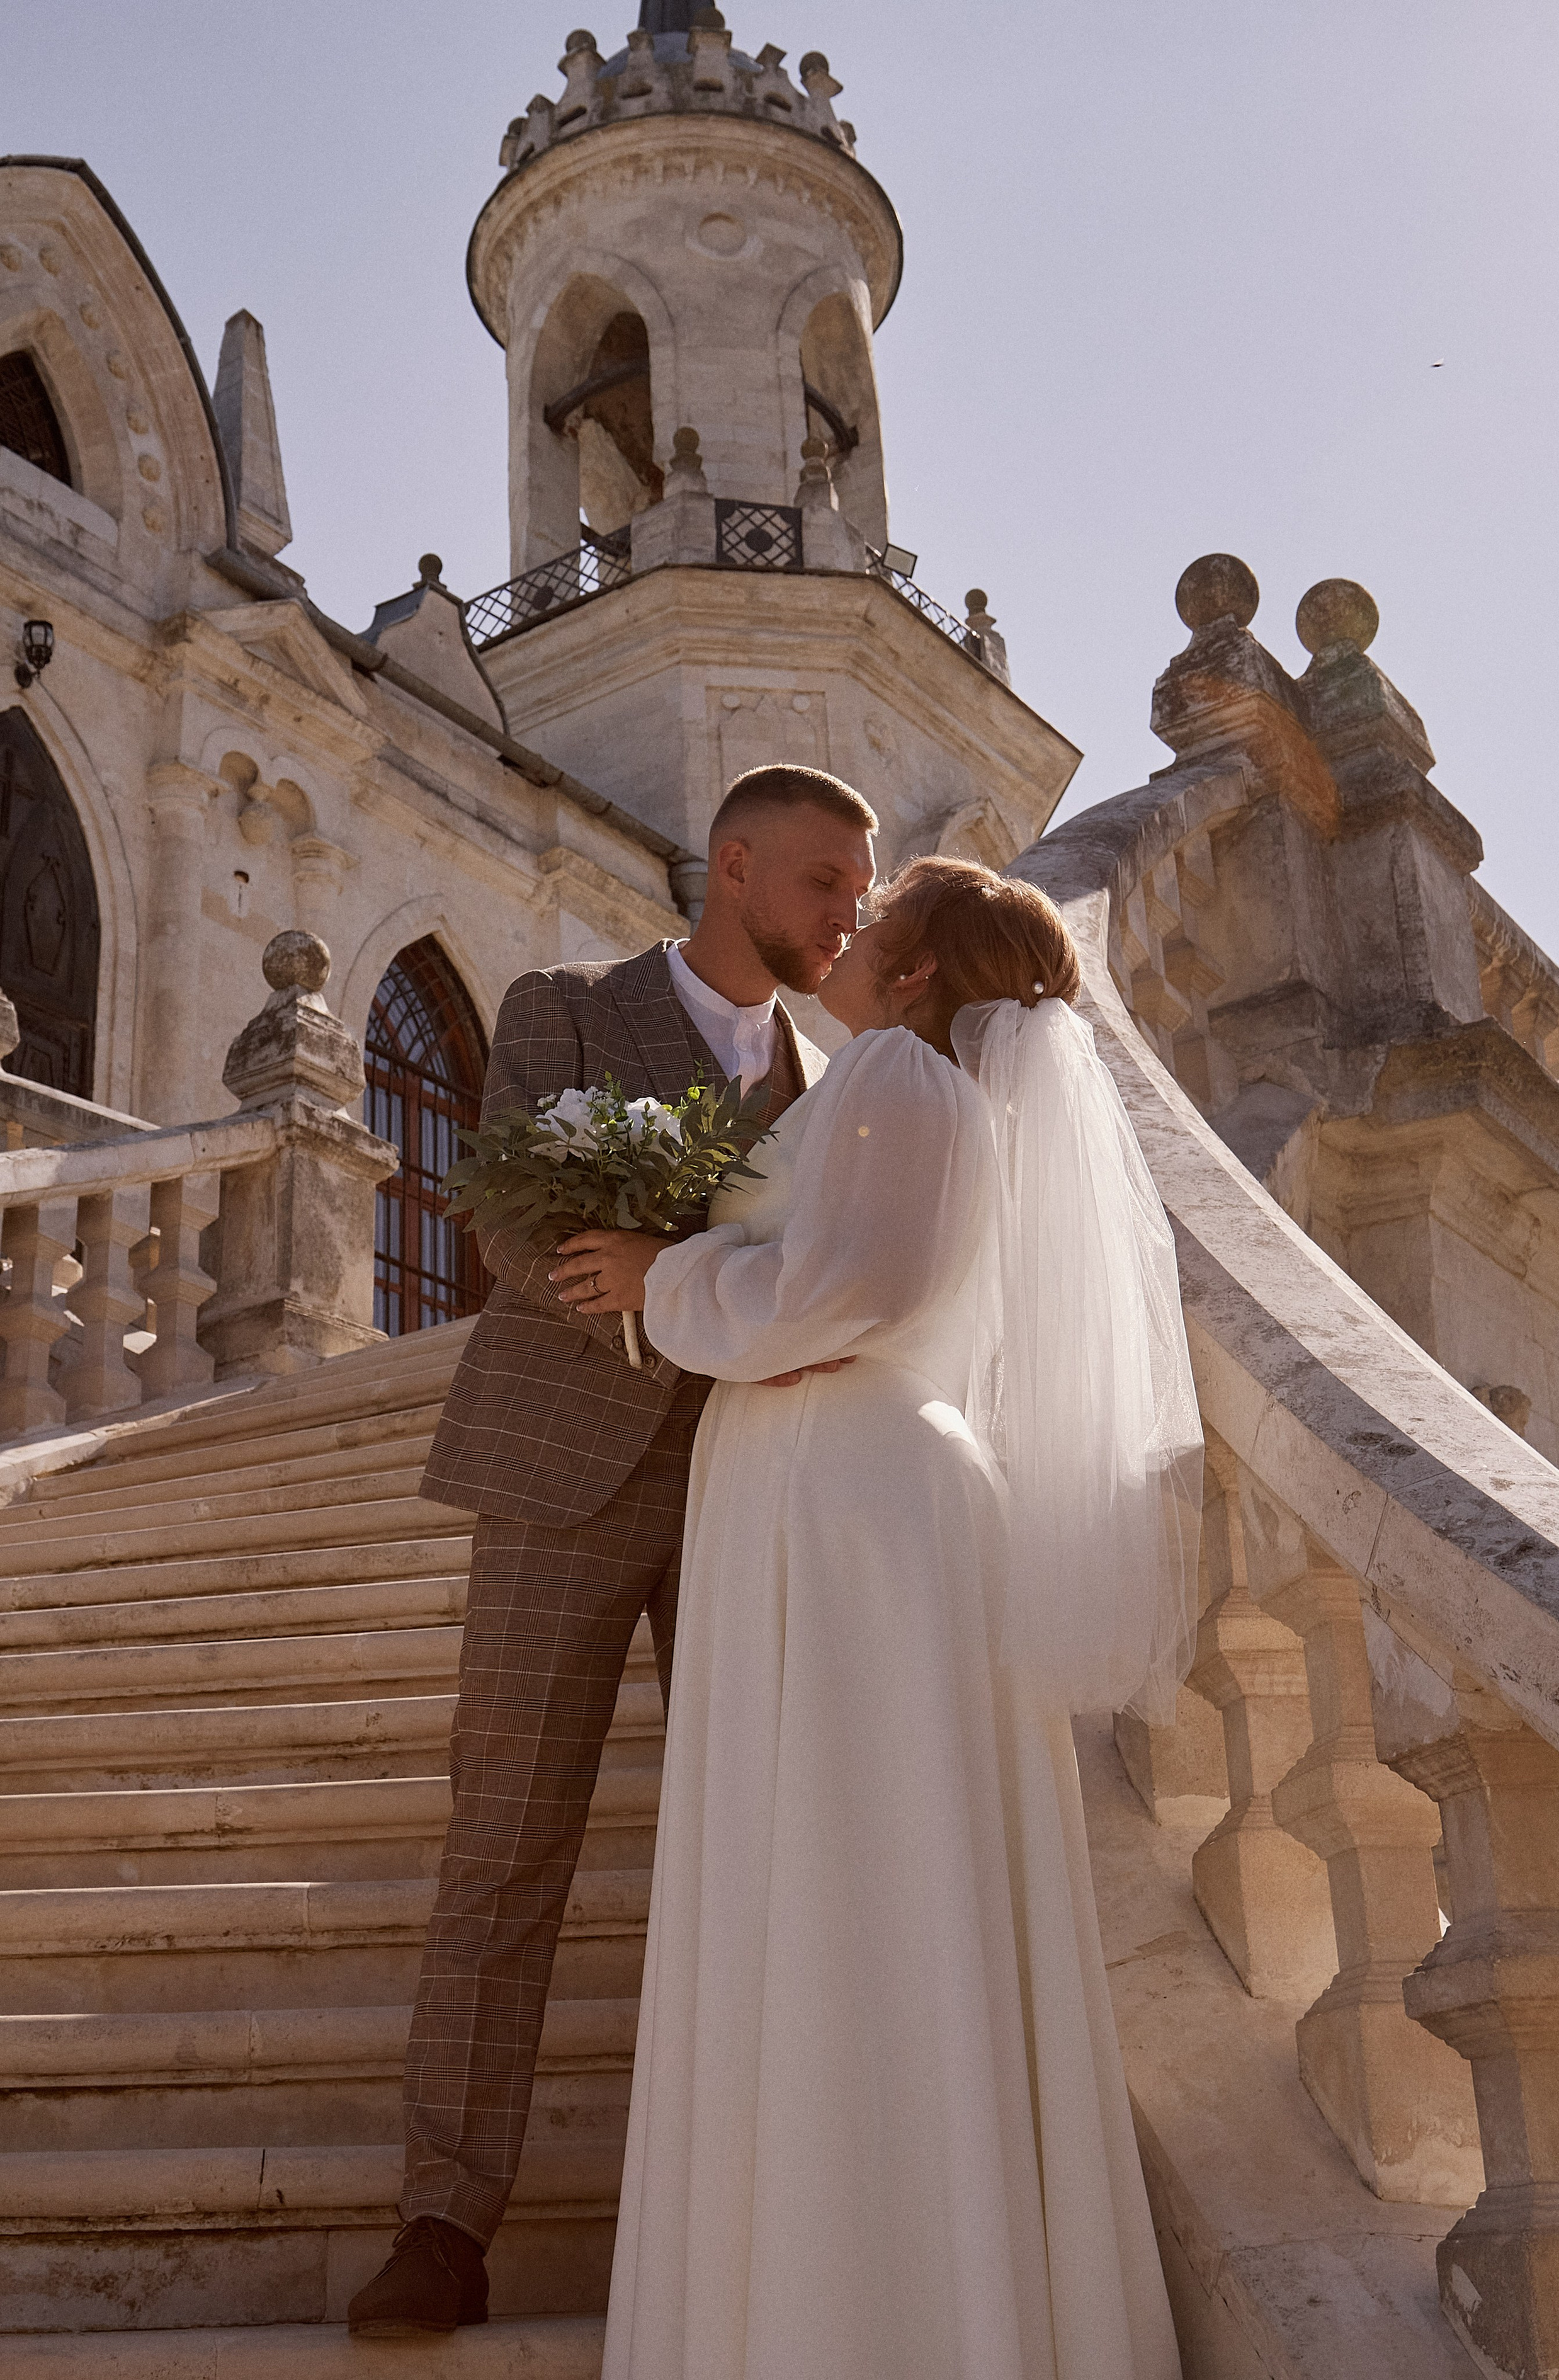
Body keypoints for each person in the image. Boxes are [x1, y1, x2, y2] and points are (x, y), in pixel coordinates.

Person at [551, 856, 1203, 2380]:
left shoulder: (901, 1079)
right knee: (848, 1876)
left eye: (872, 919)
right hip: (833, 1489)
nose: (839, 935)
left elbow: (838, 1295)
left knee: (850, 1880)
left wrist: (664, 1275)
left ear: (913, 976)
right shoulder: (898, 1085)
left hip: (846, 1498)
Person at [347, 765, 878, 2338]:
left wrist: (720, 1296)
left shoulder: (834, 1076)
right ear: (731, 868)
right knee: (503, 1849)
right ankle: (443, 2218)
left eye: (859, 889)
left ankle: (761, 2211)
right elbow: (505, 1227)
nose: (847, 911)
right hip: (557, 1471)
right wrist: (661, 1284)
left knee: (760, 1857)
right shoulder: (563, 1002)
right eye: (822, 883)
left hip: (747, 1482)